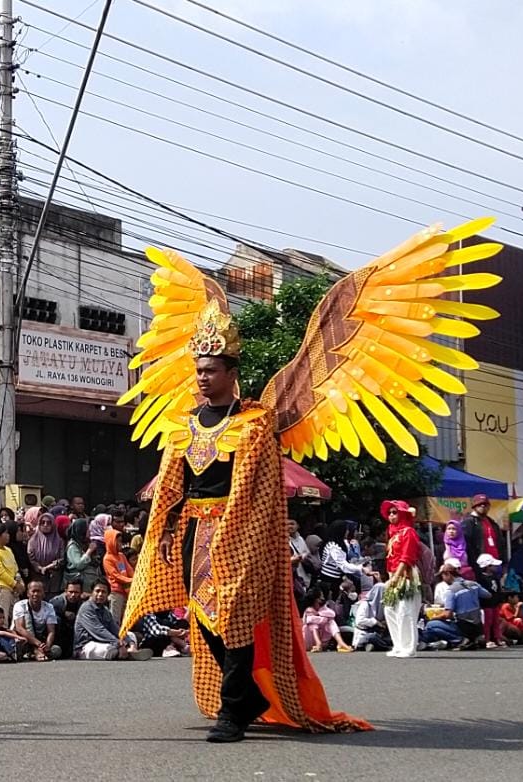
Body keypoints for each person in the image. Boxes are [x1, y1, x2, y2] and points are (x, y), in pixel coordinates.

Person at [121, 304, 369, 743]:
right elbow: (172, 488)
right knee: (203, 615)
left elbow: (254, 490)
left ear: (231, 373)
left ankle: (233, 712)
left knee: (233, 616)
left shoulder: (254, 424)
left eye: (211, 370)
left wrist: (236, 536)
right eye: (198, 370)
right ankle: (249, 696)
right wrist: (162, 532)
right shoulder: (184, 425)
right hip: (192, 533)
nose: (201, 377)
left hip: (239, 533)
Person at [383, 500, 423, 659]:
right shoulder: (393, 533)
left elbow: (406, 557)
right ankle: (398, 644)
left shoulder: (408, 532)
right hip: (393, 575)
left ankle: (409, 646)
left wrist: (397, 576)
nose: (391, 516)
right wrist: (390, 576)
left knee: (405, 610)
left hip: (406, 575)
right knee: (390, 609)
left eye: (395, 512)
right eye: (390, 513)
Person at [73, 580, 150, 660]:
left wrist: (130, 642)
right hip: (85, 646)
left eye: (103, 592)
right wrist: (119, 643)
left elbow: (115, 628)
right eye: (97, 591)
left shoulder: (105, 610)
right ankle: (128, 653)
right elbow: (99, 631)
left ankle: (129, 651)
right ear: (92, 592)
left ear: (107, 595)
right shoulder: (86, 608)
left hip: (103, 641)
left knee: (132, 636)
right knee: (111, 649)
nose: (100, 594)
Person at [11, 581, 61, 661]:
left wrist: (47, 646)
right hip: (23, 639)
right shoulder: (20, 605)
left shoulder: (48, 607)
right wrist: (39, 644)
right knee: (27, 617)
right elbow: (19, 628)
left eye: (38, 591)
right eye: (33, 591)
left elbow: (51, 631)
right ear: (28, 593)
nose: (36, 594)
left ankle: (34, 654)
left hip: (40, 639)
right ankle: (34, 651)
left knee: (57, 650)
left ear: (43, 594)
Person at [0, 521, 22, 619]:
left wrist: (20, 583)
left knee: (17, 617)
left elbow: (15, 568)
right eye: (5, 533)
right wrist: (15, 584)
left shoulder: (8, 550)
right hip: (1, 588)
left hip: (13, 588)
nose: (8, 535)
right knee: (3, 618)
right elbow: (0, 572)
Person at [27, 512, 65, 595]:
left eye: (49, 523)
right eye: (43, 522)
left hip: (54, 581)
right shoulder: (33, 540)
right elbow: (30, 557)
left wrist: (48, 567)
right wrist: (39, 567)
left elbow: (62, 559)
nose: (45, 525)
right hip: (37, 579)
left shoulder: (59, 541)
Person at [49, 578, 86, 659]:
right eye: (71, 592)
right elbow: (48, 612)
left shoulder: (83, 604)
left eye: (76, 592)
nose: (73, 595)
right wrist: (63, 613)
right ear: (66, 591)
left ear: (81, 593)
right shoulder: (57, 601)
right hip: (59, 633)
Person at [64, 518, 103, 592]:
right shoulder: (73, 546)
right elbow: (79, 564)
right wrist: (89, 551)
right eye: (87, 529)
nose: (89, 531)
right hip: (80, 584)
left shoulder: (84, 543)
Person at [350, 584, 391, 652]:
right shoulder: (365, 604)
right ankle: (386, 647)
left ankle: (373, 646)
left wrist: (385, 622)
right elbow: (359, 621)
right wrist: (375, 622)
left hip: (379, 633)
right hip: (365, 633)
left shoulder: (384, 605)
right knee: (372, 637)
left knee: (390, 638)